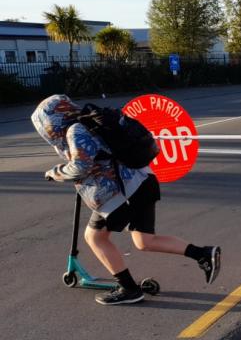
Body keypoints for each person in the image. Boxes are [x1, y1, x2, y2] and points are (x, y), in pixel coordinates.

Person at [32, 94, 221, 306]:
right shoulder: (88, 123)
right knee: (145, 242)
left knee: (95, 238)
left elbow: (81, 166)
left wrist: (55, 172)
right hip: (141, 182)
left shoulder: (75, 130)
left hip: (122, 193)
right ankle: (203, 254)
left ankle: (129, 289)